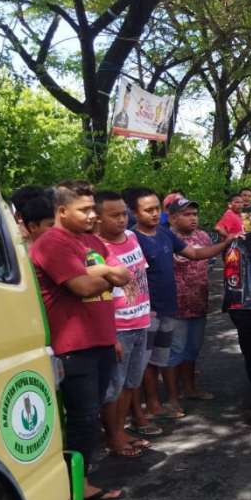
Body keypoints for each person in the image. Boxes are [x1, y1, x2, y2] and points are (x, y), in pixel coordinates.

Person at [29, 180, 131, 500]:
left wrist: (101, 271)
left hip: (101, 341)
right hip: (74, 348)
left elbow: (126, 273)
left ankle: (82, 482)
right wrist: (105, 273)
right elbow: (83, 286)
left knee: (89, 419)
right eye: (84, 210)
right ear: (61, 211)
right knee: (81, 421)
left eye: (92, 208)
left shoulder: (89, 241)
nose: (92, 215)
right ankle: (72, 495)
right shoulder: (51, 243)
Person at [128, 188, 239, 418]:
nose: (154, 214)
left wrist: (228, 242)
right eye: (148, 210)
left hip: (179, 305)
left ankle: (179, 394)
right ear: (135, 212)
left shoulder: (165, 235)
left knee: (172, 353)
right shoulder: (132, 238)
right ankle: (158, 402)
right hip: (149, 309)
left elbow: (197, 254)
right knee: (155, 359)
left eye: (156, 209)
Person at [95, 191, 162, 455]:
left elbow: (140, 277)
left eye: (124, 213)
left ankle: (120, 430)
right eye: (114, 215)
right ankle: (113, 437)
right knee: (115, 386)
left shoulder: (133, 237)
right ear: (98, 218)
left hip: (140, 320)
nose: (122, 220)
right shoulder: (96, 249)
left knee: (131, 383)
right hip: (118, 327)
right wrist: (109, 335)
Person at [167, 197, 215, 400]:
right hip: (175, 306)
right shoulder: (166, 237)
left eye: (194, 214)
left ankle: (190, 389)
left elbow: (210, 265)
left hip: (198, 303)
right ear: (173, 218)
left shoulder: (204, 237)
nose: (193, 218)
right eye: (187, 214)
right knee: (174, 352)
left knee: (192, 350)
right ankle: (172, 397)